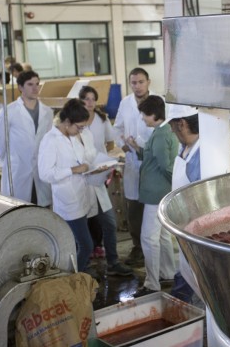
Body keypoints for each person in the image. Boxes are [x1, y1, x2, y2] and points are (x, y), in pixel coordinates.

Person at [125, 95, 179, 298]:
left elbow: (166, 166)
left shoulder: (160, 135)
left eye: (144, 115)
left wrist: (175, 186)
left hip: (155, 193)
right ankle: (167, 273)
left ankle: (152, 283)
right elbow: (153, 159)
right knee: (163, 236)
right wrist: (136, 147)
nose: (142, 119)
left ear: (154, 115)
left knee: (148, 238)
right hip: (160, 191)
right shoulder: (163, 131)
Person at [78, 85, 133, 276]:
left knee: (108, 222)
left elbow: (108, 143)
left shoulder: (101, 120)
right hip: (80, 181)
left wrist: (106, 162)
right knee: (82, 227)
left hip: (98, 176)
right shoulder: (74, 126)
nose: (90, 102)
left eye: (93, 98)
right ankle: (83, 267)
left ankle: (113, 261)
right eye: (86, 99)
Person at [37, 99, 94, 272]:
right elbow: (45, 173)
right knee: (86, 245)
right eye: (79, 127)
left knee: (79, 244)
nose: (80, 131)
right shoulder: (50, 140)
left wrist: (90, 168)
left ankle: (77, 276)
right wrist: (73, 170)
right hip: (67, 201)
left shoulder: (72, 137)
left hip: (80, 195)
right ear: (67, 122)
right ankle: (71, 279)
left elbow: (80, 160)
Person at [111, 67, 155, 267]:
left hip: (153, 162)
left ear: (149, 82)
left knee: (153, 207)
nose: (137, 86)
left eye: (141, 82)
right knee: (134, 209)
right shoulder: (125, 103)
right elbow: (117, 127)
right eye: (134, 83)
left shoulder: (158, 102)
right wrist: (122, 146)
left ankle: (154, 248)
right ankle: (138, 247)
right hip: (132, 163)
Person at [0, 70, 52, 206]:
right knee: (20, 209)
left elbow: (49, 142)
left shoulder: (47, 112)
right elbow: (0, 141)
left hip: (40, 168)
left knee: (42, 207)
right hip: (18, 167)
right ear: (20, 87)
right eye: (30, 84)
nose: (35, 88)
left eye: (37, 84)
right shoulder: (9, 111)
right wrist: (6, 162)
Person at [163, 104, 201, 303]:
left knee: (194, 275)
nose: (171, 130)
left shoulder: (201, 155)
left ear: (182, 124)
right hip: (183, 228)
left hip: (195, 231)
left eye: (172, 125)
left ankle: (180, 307)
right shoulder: (185, 147)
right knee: (185, 270)